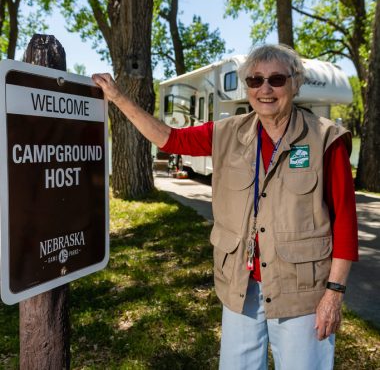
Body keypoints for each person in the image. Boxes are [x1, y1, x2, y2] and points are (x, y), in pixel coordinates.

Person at [92, 44, 358, 370]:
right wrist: (118, 98)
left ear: (295, 82)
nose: (265, 89)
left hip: (302, 292)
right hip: (240, 287)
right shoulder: (228, 132)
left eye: (276, 79)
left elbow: (345, 221)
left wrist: (333, 294)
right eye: (254, 80)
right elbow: (170, 138)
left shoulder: (325, 139)